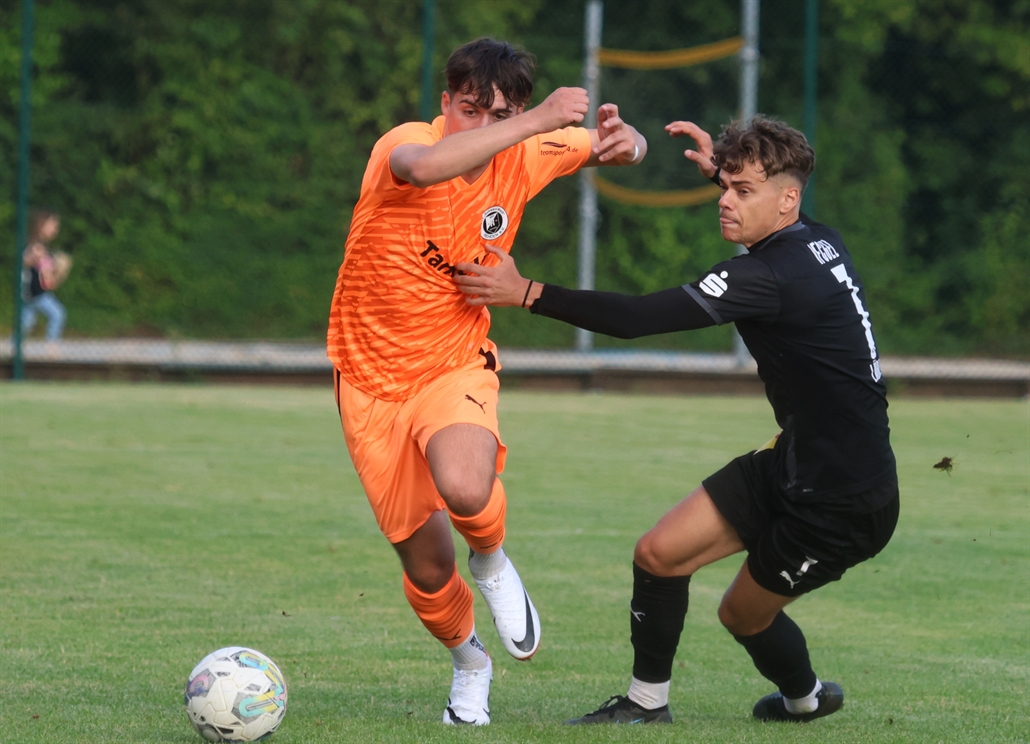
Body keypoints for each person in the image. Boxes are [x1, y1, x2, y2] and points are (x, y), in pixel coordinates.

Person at [453, 115, 899, 725]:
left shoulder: (767, 276)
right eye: (725, 187)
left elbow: (637, 319)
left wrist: (526, 291)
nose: (724, 201)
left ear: (787, 200)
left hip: (844, 499)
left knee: (741, 615)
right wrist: (728, 168)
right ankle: (645, 705)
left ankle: (807, 699)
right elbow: (768, 201)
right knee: (659, 554)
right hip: (796, 461)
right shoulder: (818, 240)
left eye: (742, 192)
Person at [325, 37, 647, 725]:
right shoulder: (407, 144)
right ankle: (471, 663)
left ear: (521, 109)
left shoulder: (525, 151)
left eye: (502, 111)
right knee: (426, 567)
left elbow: (610, 146)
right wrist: (532, 122)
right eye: (472, 109)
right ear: (446, 104)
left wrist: (629, 144)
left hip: (453, 362)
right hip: (371, 383)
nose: (485, 124)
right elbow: (425, 166)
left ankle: (495, 562)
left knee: (467, 487)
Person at [22, 209, 71, 341]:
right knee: (57, 314)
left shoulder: (42, 247)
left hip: (34, 293)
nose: (55, 230)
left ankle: (10, 346)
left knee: (26, 323)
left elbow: (48, 280)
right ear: (42, 226)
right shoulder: (34, 246)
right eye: (52, 226)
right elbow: (25, 261)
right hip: (34, 293)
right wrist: (33, 258)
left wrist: (58, 271)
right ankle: (51, 346)